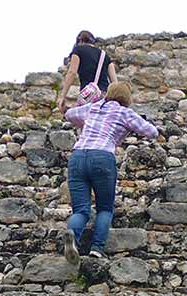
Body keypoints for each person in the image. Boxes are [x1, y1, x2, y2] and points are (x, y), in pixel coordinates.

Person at [61, 82, 160, 263]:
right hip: (102, 157)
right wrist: (131, 127)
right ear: (127, 98)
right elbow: (152, 132)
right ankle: (97, 248)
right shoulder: (125, 113)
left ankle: (72, 238)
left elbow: (69, 115)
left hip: (77, 157)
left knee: (81, 210)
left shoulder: (92, 107)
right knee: (104, 208)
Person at [56, 30, 119, 115]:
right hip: (105, 97)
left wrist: (62, 96)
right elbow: (115, 83)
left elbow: (72, 73)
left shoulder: (78, 50)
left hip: (89, 97)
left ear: (80, 41)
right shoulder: (104, 55)